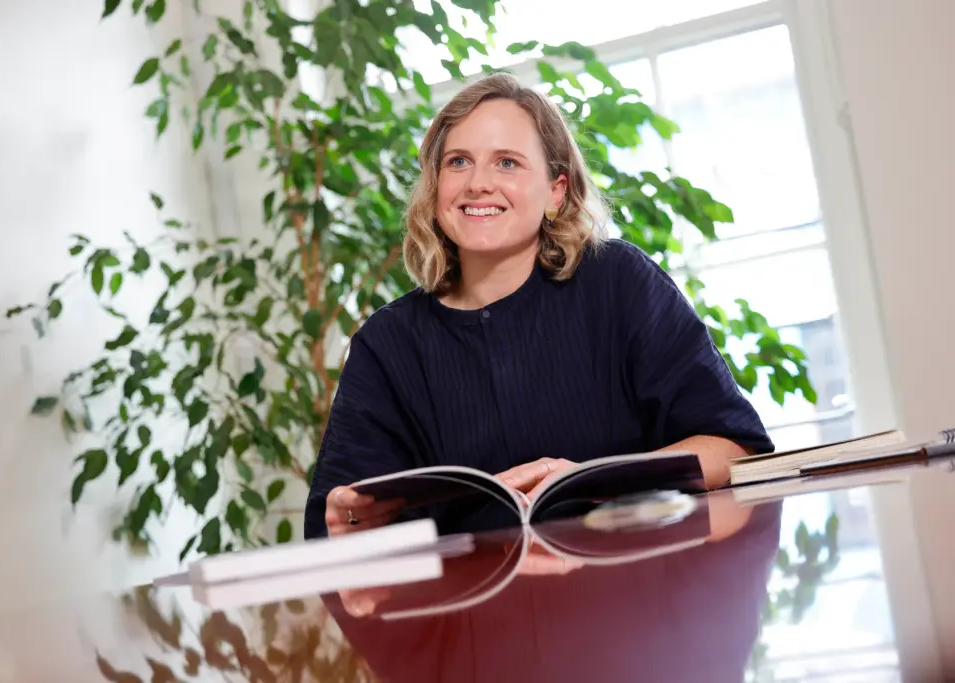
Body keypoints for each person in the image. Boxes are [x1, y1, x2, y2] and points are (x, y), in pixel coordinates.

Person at [303, 72, 774, 539]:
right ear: (435, 187)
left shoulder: (619, 283)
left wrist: (595, 482)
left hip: (632, 594)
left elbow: (733, 447)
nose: (477, 184)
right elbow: (335, 521)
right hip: (472, 610)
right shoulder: (387, 345)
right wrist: (349, 519)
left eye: (506, 163)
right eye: (459, 162)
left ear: (556, 191)